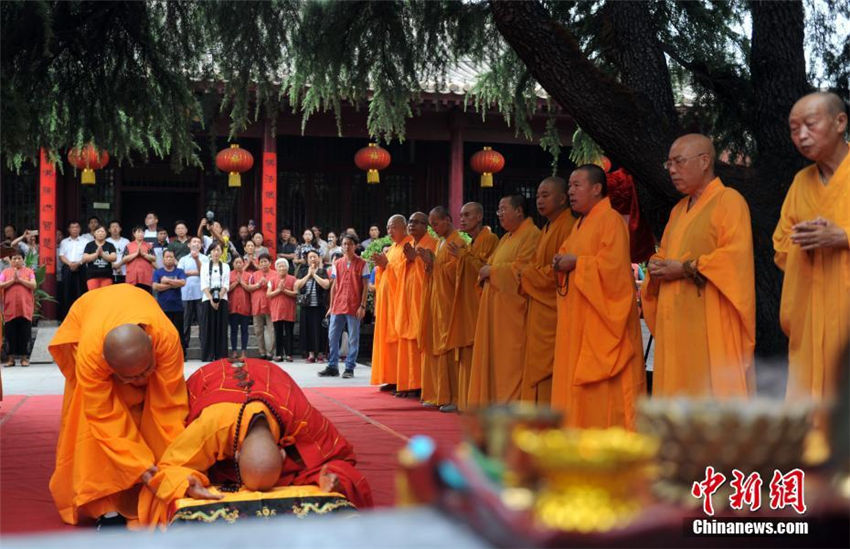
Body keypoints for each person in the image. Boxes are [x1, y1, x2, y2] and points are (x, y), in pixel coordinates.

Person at [137, 358, 373, 527]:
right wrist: (185, 485)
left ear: (283, 453)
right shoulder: (211, 426)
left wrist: (332, 476)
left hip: (270, 374)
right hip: (213, 375)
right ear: (236, 455)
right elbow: (166, 468)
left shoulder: (301, 416)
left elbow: (340, 457)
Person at [48, 284, 187, 525]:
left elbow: (170, 407)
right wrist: (137, 463)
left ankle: (158, 482)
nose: (140, 381)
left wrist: (175, 468)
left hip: (136, 311)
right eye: (131, 377)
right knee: (89, 422)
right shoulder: (91, 357)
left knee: (155, 411)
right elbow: (102, 414)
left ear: (152, 349)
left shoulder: (166, 339)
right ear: (108, 365)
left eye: (145, 371)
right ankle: (106, 505)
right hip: (89, 316)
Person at [642, 134, 755, 398]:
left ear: (705, 161)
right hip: (675, 324)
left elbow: (735, 258)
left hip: (708, 322)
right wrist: (657, 267)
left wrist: (685, 268)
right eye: (668, 163)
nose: (671, 169)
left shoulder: (729, 201)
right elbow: (665, 254)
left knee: (707, 394)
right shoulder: (679, 209)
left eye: (678, 162)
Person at [551, 165, 646, 429]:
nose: (570, 191)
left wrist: (578, 263)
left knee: (603, 391)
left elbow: (614, 271)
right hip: (577, 321)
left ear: (596, 188)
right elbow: (569, 256)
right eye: (569, 185)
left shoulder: (611, 220)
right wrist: (562, 262)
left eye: (576, 185)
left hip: (600, 323)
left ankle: (606, 438)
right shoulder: (580, 225)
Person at [774, 91, 850, 402]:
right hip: (810, 319)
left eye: (810, 124)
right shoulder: (800, 182)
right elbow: (781, 245)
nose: (801, 136)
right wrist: (802, 243)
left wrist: (843, 237)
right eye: (794, 129)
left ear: (840, 122)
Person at [467, 195, 541, 407]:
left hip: (514, 314)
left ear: (519, 211)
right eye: (498, 209)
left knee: (511, 363)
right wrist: (487, 272)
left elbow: (523, 271)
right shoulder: (507, 238)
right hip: (496, 309)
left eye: (503, 208)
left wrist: (492, 271)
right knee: (498, 363)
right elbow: (488, 266)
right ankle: (497, 406)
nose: (499, 213)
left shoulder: (531, 235)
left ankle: (511, 409)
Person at [517, 177, 576, 404]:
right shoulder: (547, 228)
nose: (539, 200)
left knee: (551, 366)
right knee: (537, 364)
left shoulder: (569, 226)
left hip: (554, 311)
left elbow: (558, 272)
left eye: (545, 195)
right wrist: (528, 273)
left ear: (562, 199)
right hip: (540, 311)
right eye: (538, 195)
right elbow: (536, 266)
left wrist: (526, 275)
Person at [419, 207, 469, 411]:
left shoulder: (458, 242)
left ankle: (454, 397)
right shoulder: (440, 243)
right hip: (438, 303)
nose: (434, 228)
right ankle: (438, 393)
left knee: (449, 349)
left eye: (436, 223)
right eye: (431, 225)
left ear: (448, 220)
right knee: (436, 347)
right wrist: (430, 264)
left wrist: (436, 264)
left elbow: (461, 272)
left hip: (451, 305)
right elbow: (438, 272)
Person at [393, 212, 437, 396]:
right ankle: (409, 383)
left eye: (417, 222)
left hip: (423, 300)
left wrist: (416, 260)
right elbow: (401, 270)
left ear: (426, 226)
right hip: (408, 300)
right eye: (410, 222)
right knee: (408, 342)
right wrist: (409, 260)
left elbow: (434, 271)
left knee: (420, 341)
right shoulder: (411, 244)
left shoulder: (432, 244)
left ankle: (421, 384)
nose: (412, 225)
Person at [369, 215, 414, 389]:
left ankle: (403, 380)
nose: (389, 231)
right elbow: (384, 276)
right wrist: (382, 266)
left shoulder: (408, 246)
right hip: (388, 304)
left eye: (393, 227)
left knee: (398, 341)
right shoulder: (393, 248)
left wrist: (387, 265)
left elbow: (408, 274)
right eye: (388, 228)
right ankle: (392, 378)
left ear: (404, 228)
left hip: (400, 304)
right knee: (388, 342)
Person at [319, 234, 370, 378]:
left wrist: (363, 305)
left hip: (354, 305)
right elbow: (334, 286)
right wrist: (331, 305)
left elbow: (365, 286)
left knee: (353, 338)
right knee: (332, 336)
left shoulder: (363, 263)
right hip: (338, 304)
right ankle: (332, 366)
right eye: (344, 244)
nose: (347, 246)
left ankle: (349, 367)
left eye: (350, 244)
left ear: (355, 246)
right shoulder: (337, 263)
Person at [0, 251, 36, 367]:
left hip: (25, 308)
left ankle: (24, 359)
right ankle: (11, 359)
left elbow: (33, 285)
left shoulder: (29, 271)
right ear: (10, 260)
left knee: (24, 334)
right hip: (10, 308)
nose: (16, 261)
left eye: (19, 258)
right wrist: (12, 281)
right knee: (10, 335)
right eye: (14, 258)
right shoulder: (5, 272)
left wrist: (20, 280)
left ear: (23, 260)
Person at [294, 249, 330, 363]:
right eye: (310, 257)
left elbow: (326, 285)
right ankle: (310, 354)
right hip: (306, 306)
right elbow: (297, 285)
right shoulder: (303, 271)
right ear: (307, 260)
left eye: (315, 257)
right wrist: (308, 275)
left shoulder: (322, 271)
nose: (313, 259)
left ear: (319, 258)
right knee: (307, 330)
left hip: (319, 306)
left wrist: (314, 275)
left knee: (320, 330)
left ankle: (320, 353)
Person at [177, 236, 208, 354]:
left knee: (202, 322)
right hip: (186, 294)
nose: (196, 244)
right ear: (189, 245)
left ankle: (204, 350)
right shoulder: (183, 259)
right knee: (185, 323)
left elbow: (204, 273)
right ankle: (183, 349)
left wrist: (196, 260)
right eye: (194, 242)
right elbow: (180, 274)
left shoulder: (205, 259)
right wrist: (195, 273)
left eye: (199, 242)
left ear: (201, 246)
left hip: (201, 294)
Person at [200, 242, 230, 362]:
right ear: (210, 252)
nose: (216, 252)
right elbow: (204, 284)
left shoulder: (226, 266)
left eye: (218, 250)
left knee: (221, 327)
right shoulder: (205, 266)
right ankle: (208, 355)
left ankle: (221, 355)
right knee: (208, 327)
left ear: (222, 252)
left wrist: (219, 298)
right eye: (213, 250)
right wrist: (211, 299)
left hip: (222, 299)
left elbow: (226, 284)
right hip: (208, 298)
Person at [268, 258, 297, 362]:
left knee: (289, 332)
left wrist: (284, 290)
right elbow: (268, 294)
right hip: (277, 310)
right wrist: (278, 290)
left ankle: (289, 354)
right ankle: (279, 354)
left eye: (283, 266)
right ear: (276, 268)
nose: (282, 268)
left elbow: (296, 293)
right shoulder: (272, 279)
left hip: (289, 309)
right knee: (278, 332)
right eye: (279, 266)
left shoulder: (293, 279)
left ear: (287, 268)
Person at [153, 250, 187, 336]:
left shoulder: (179, 271)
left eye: (171, 257)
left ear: (174, 259)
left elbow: (183, 283)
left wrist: (167, 280)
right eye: (166, 257)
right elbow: (155, 286)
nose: (169, 259)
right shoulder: (158, 272)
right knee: (165, 334)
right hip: (163, 308)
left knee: (178, 333)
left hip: (177, 307)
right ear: (163, 259)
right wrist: (173, 284)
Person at [247, 253, 275, 360]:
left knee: (271, 330)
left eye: (265, 261)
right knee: (258, 331)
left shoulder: (275, 274)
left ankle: (270, 353)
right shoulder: (254, 275)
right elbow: (249, 288)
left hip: (271, 306)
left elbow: (276, 286)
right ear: (259, 263)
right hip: (257, 306)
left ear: (270, 263)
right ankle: (262, 352)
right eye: (261, 262)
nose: (263, 264)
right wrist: (258, 285)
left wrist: (268, 283)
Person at [58, 220, 88, 317]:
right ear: (69, 229)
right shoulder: (64, 242)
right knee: (66, 292)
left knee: (81, 291)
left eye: (77, 227)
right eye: (72, 227)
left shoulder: (85, 241)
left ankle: (81, 316)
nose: (75, 229)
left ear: (80, 229)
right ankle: (67, 316)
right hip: (67, 267)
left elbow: (86, 255)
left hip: (81, 267)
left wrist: (78, 263)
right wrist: (70, 264)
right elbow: (61, 256)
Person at [228, 256, 252, 360]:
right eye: (236, 262)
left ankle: (243, 352)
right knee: (233, 330)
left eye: (240, 262)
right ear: (233, 264)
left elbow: (251, 289)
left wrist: (241, 282)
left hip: (245, 307)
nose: (238, 264)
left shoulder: (248, 275)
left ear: (243, 264)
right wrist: (236, 283)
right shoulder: (229, 275)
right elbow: (226, 289)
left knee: (244, 330)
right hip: (232, 307)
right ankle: (234, 351)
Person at [82, 225, 117, 291]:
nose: (100, 233)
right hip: (92, 276)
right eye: (98, 231)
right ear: (94, 233)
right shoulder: (89, 245)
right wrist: (96, 254)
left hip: (107, 276)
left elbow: (114, 258)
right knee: (93, 296)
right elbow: (85, 258)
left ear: (106, 233)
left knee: (104, 297)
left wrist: (103, 254)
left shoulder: (110, 245)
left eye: (102, 231)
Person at [123, 225, 157, 293]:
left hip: (146, 277)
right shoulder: (128, 245)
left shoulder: (148, 246)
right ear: (134, 233)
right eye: (138, 232)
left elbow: (153, 258)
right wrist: (136, 254)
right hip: (132, 276)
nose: (141, 234)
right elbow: (124, 259)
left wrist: (143, 254)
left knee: (146, 297)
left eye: (142, 232)